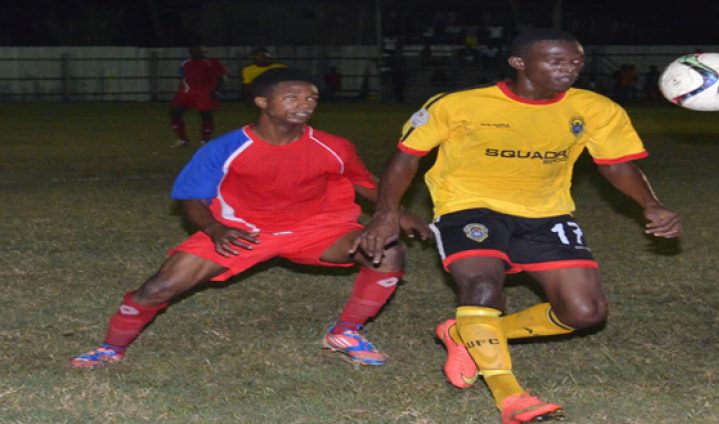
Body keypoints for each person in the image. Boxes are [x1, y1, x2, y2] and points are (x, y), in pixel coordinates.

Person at [352, 28, 682, 423]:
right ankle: (511, 397)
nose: (569, 69)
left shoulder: (596, 108)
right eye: (556, 61)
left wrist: (652, 204)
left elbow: (615, 164)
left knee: (585, 313)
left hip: (548, 212)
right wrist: (387, 212)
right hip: (467, 206)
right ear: (519, 63)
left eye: (575, 61)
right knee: (483, 287)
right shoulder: (458, 105)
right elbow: (405, 158)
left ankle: (466, 335)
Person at [70, 68, 430, 370]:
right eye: (292, 97)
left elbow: (360, 181)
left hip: (318, 230)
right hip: (241, 231)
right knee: (158, 288)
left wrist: (395, 214)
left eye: (311, 99)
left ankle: (345, 332)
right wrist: (214, 228)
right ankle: (111, 348)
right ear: (263, 102)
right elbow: (191, 197)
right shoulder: (226, 148)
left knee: (387, 250)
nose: (304, 105)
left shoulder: (333, 145)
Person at [170, 46, 227, 148]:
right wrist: (180, 92)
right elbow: (183, 78)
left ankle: (205, 140)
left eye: (197, 51)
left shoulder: (211, 63)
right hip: (187, 92)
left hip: (204, 92)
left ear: (203, 53)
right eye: (192, 52)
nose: (194, 54)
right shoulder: (185, 64)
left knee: (205, 115)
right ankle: (182, 139)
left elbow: (220, 77)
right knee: (174, 112)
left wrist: (216, 91)